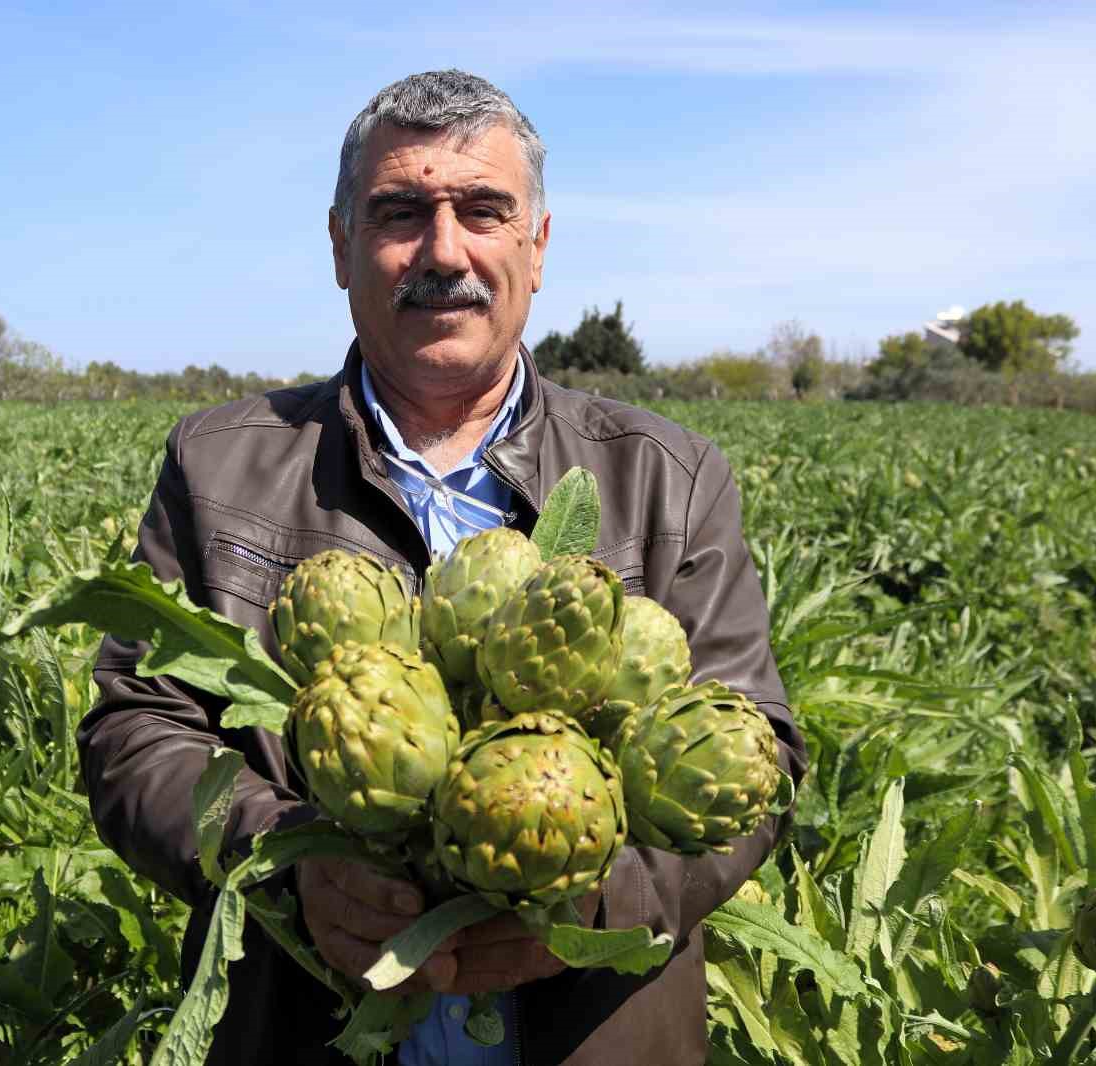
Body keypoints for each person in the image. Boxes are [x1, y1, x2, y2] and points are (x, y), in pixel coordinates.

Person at [79, 69, 807, 1066]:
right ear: (340, 245)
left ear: (537, 248)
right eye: (399, 212)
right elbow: (135, 732)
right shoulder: (217, 467)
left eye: (483, 211)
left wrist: (591, 891)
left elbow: (757, 758)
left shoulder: (669, 478)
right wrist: (289, 859)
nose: (444, 250)